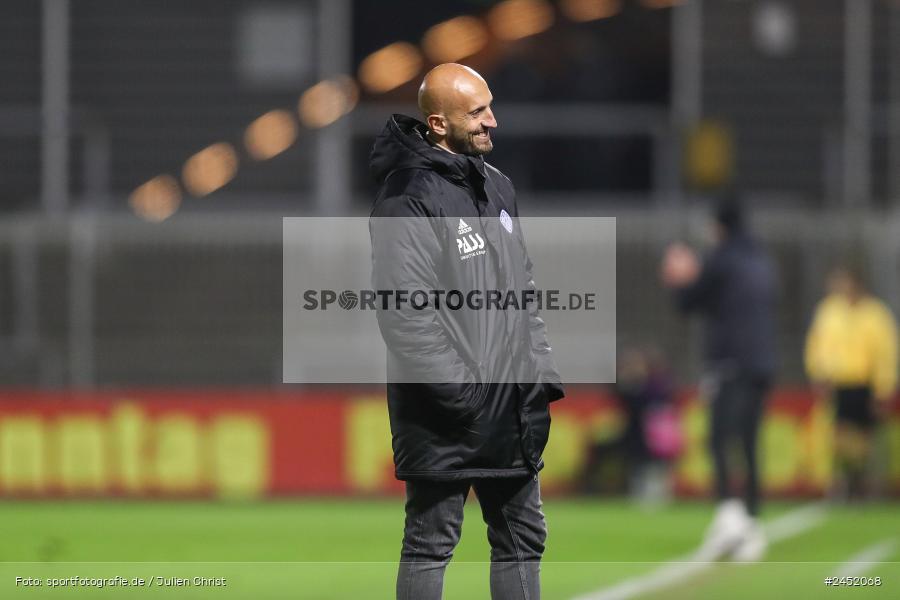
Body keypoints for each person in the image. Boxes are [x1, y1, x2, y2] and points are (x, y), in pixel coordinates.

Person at [369, 63, 565, 600]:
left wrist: (537, 378)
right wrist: (468, 398)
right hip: (447, 412)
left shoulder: (497, 186)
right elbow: (404, 315)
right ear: (437, 122)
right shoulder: (407, 198)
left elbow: (523, 291)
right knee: (433, 541)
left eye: (490, 106)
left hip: (511, 404)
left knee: (523, 538)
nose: (492, 121)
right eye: (477, 112)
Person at [660, 198, 777, 561]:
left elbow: (690, 302)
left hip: (730, 363)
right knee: (749, 442)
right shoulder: (761, 260)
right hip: (763, 361)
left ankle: (731, 519)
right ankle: (752, 524)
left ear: (719, 226)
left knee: (718, 439)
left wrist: (679, 279)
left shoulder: (722, 258)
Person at [804, 265, 898, 500]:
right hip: (838, 383)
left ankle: (867, 484)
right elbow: (816, 345)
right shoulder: (829, 311)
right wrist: (818, 374)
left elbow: (885, 352)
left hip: (864, 384)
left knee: (867, 438)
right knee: (838, 437)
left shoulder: (876, 314)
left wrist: (883, 387)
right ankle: (842, 484)